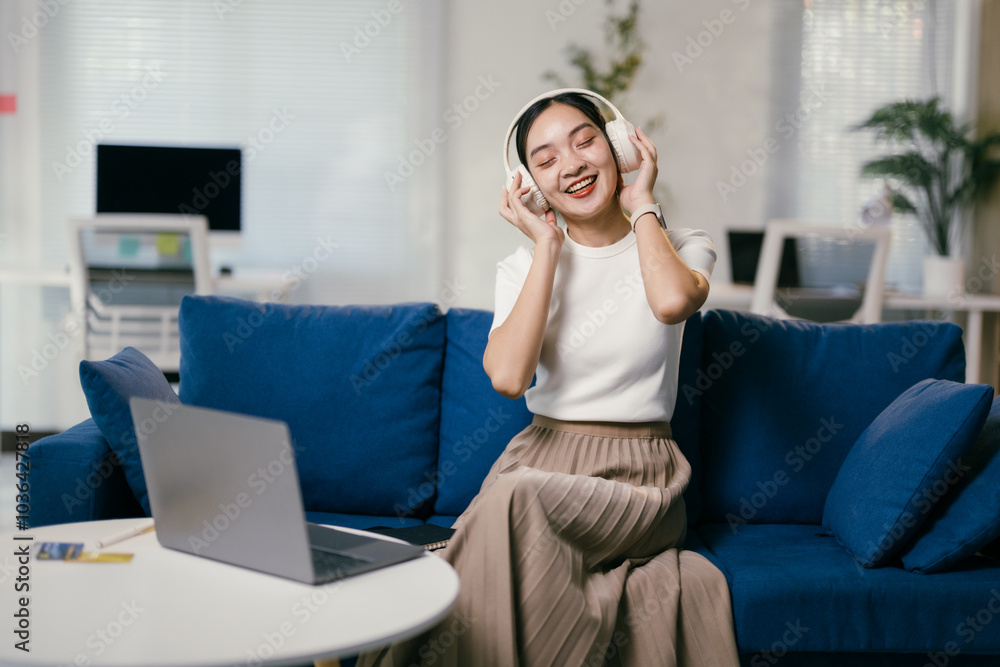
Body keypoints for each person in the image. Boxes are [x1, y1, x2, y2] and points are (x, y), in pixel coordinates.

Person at [348, 90, 740, 667]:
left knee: (508, 503)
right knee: (507, 506)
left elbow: (671, 301)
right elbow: (508, 378)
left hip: (640, 477)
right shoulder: (523, 268)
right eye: (547, 158)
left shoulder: (683, 247)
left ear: (620, 145)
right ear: (529, 184)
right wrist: (548, 246)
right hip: (538, 460)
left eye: (586, 142)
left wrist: (642, 202)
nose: (573, 164)